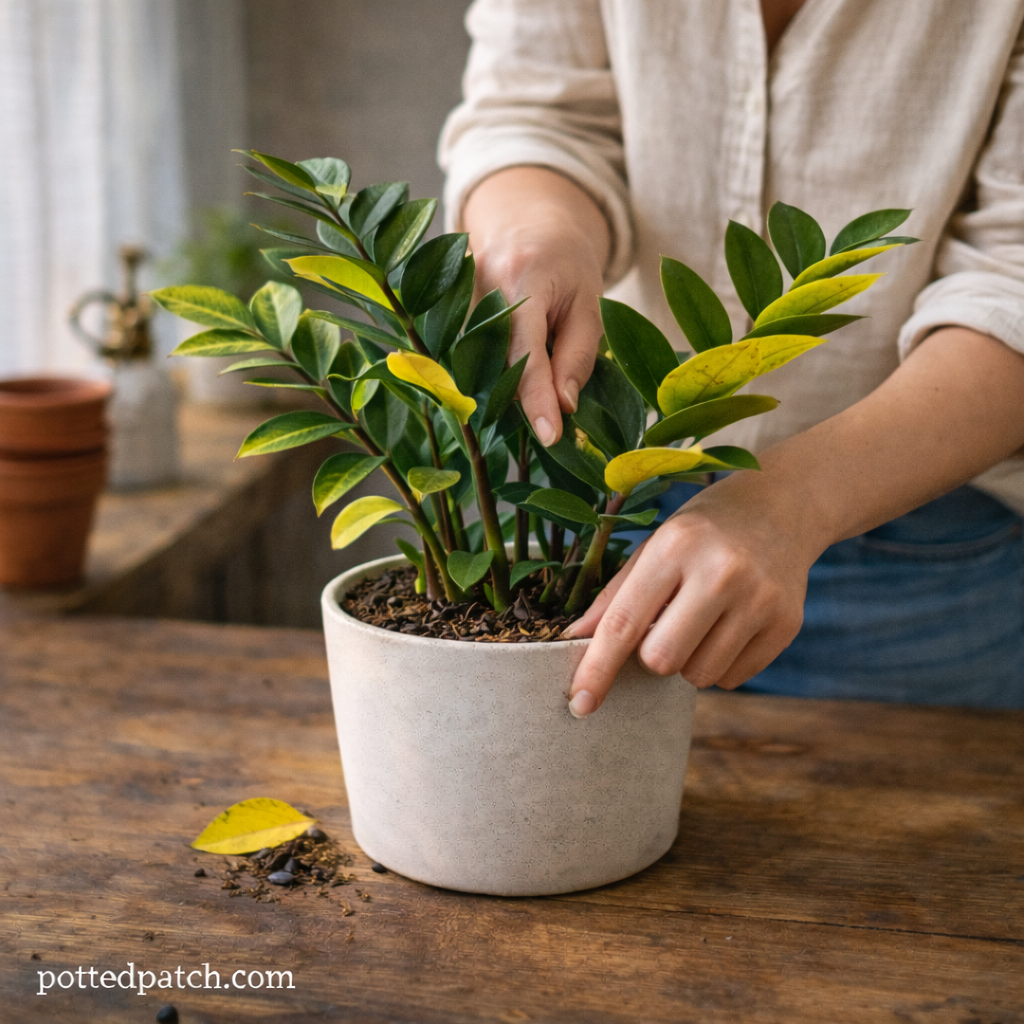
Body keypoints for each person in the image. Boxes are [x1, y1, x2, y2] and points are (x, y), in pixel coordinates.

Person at [439, 0, 1024, 713]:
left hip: (915, 561)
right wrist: (533, 231)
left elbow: (1013, 280)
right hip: (591, 504)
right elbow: (536, 111)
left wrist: (790, 504)